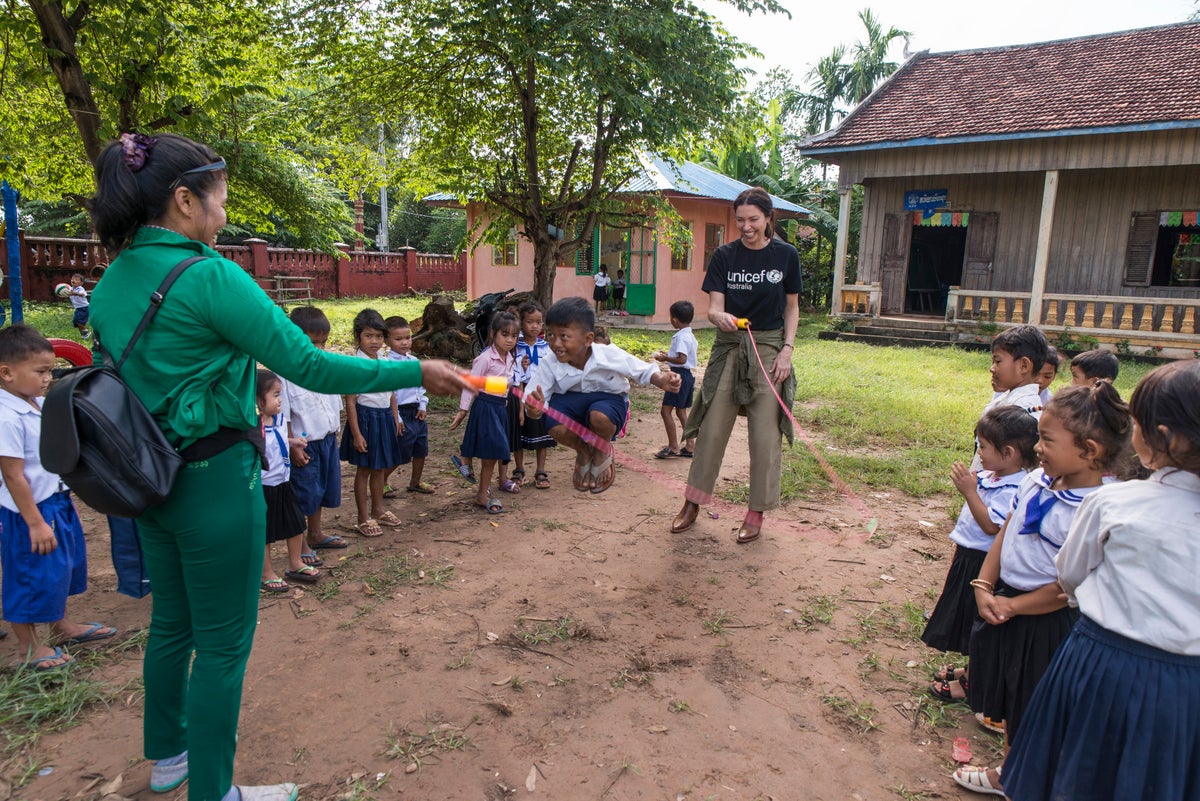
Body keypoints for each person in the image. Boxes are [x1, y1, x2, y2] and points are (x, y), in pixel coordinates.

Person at [87, 132, 467, 801]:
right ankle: (215, 791)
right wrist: (416, 366)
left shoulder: (115, 277)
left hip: (146, 478)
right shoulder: (207, 274)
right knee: (225, 644)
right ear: (184, 200)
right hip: (212, 485)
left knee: (173, 623)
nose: (224, 212)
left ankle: (170, 757)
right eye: (221, 198)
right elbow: (310, 364)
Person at [1003, 361, 1200, 801]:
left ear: (1161, 437)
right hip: (1188, 687)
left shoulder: (1115, 503)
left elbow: (1071, 575)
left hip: (1103, 665)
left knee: (1079, 767)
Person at [953, 382, 1130, 797]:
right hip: (1005, 602)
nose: (1038, 448)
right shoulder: (1036, 481)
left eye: (1047, 441)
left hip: (1046, 618)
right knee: (1013, 697)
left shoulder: (1097, 507)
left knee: (1034, 701)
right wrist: (984, 582)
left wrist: (1013, 607)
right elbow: (1007, 531)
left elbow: (1067, 587)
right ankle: (1012, 769)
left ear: (1089, 450)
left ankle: (1015, 775)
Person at [671, 186, 800, 544]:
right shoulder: (725, 256)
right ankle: (692, 502)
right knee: (711, 429)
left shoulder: (786, 256)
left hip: (770, 346)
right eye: (740, 220)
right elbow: (713, 308)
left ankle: (756, 511)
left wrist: (787, 350)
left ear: (768, 218)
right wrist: (720, 317)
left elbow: (791, 307)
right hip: (730, 345)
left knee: (764, 435)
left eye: (753, 219)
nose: (746, 226)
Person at [0, 325, 116, 671]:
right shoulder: (6, 416)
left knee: (59, 568)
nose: (48, 378)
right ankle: (28, 648)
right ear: (6, 372)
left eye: (50, 371)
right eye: (41, 371)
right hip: (27, 513)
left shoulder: (32, 404)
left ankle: (61, 626)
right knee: (29, 575)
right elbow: (12, 475)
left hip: (55, 501)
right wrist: (34, 523)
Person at [923, 405, 1038, 705]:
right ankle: (972, 670)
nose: (979, 452)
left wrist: (969, 492)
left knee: (980, 626)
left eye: (983, 447)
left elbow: (989, 526)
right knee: (968, 623)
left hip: (982, 564)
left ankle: (973, 682)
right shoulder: (995, 475)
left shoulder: (1014, 486)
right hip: (969, 557)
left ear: (1009, 453)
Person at [524, 297, 681, 494]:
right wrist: (534, 409)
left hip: (607, 401)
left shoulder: (607, 353)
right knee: (554, 424)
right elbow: (534, 397)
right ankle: (583, 451)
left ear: (588, 339)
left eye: (564, 336)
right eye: (550, 335)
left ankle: (601, 449)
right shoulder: (550, 362)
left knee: (599, 416)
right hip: (570, 403)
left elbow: (640, 370)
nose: (555, 343)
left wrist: (661, 379)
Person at [279, 307, 349, 564]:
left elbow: (334, 400)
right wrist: (293, 447)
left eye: (323, 342)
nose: (318, 348)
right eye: (312, 342)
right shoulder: (285, 371)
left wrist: (336, 431)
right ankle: (300, 546)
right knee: (304, 493)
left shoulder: (325, 365)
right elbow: (284, 413)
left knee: (321, 490)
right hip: (303, 444)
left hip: (327, 439)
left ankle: (316, 533)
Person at [339, 308, 404, 538]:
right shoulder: (355, 366)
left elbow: (392, 394)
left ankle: (378, 510)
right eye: (368, 336)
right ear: (358, 336)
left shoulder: (384, 363)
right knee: (364, 469)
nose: (374, 341)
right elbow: (351, 402)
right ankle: (362, 517)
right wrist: (356, 434)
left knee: (380, 467)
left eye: (378, 336)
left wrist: (395, 418)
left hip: (384, 418)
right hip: (365, 420)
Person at [450, 311, 519, 513]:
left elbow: (504, 382)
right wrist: (463, 410)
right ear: (493, 334)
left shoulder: (511, 358)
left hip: (499, 407)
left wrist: (505, 397)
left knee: (492, 454)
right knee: (493, 449)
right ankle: (466, 459)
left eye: (514, 336)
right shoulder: (485, 358)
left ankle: (481, 492)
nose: (509, 340)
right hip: (486, 407)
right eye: (504, 334)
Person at [256, 370, 316, 592]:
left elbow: (278, 438)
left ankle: (295, 562)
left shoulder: (279, 418)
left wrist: (292, 441)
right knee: (265, 531)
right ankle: (266, 572)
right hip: (264, 485)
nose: (280, 400)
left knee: (296, 522)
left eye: (280, 394)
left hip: (284, 480)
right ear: (258, 401)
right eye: (275, 395)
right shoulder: (252, 426)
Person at [970, 325, 1049, 471]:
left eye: (998, 361)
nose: (992, 368)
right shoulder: (1008, 397)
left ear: (1024, 365)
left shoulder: (1025, 409)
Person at [384, 317, 434, 495]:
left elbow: (420, 386)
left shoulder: (414, 361)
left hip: (416, 411)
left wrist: (423, 405)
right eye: (398, 339)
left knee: (421, 449)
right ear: (386, 340)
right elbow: (391, 394)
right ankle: (381, 480)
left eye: (408, 337)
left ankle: (415, 482)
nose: (405, 342)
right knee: (401, 451)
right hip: (401, 413)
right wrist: (396, 417)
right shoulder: (388, 364)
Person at [512, 302, 555, 490]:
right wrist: (521, 366)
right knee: (518, 433)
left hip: (541, 397)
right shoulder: (515, 346)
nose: (535, 326)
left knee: (542, 434)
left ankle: (540, 471)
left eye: (539, 322)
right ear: (522, 323)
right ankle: (519, 469)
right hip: (521, 395)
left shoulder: (546, 347)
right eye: (530, 322)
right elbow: (512, 372)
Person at [654, 300, 699, 459]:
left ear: (674, 319)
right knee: (681, 411)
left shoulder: (681, 337)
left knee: (665, 411)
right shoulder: (690, 335)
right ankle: (690, 445)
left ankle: (673, 446)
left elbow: (681, 359)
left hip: (677, 376)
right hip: (687, 377)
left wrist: (665, 357)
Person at [67, 273, 91, 339]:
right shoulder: (70, 289)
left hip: (84, 308)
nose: (73, 280)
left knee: (78, 321)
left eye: (76, 280)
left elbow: (82, 294)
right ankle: (84, 336)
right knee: (76, 322)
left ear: (81, 283)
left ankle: (86, 332)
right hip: (78, 308)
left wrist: (75, 293)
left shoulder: (80, 289)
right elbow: (66, 293)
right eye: (72, 279)